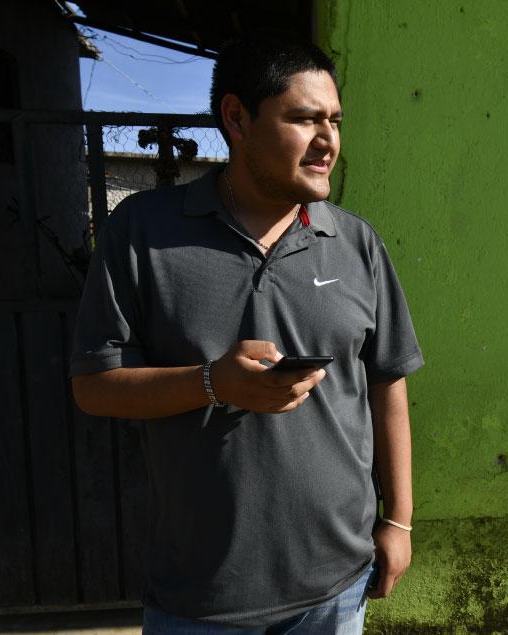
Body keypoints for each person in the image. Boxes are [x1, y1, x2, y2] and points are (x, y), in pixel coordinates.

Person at [70, 31, 423, 634]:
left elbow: (387, 380)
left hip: (337, 586)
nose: (328, 141)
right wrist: (212, 383)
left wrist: (399, 521)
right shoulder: (143, 233)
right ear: (236, 118)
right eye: (304, 119)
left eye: (335, 121)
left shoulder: (356, 242)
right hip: (201, 595)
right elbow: (94, 386)